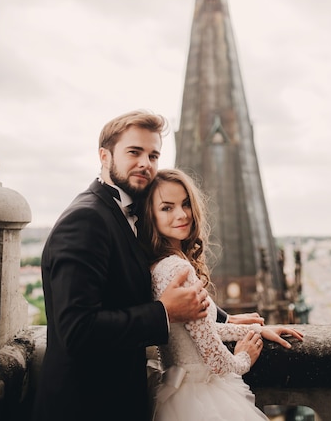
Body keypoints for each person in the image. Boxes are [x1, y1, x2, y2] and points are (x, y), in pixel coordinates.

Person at [32, 109, 263, 421]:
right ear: (104, 155)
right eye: (134, 152)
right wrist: (165, 312)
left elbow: (147, 285)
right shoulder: (85, 219)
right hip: (85, 405)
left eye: (153, 155)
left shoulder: (131, 212)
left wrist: (224, 319)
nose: (145, 163)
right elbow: (76, 330)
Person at [142, 168, 304, 421]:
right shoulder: (179, 268)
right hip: (202, 400)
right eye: (167, 208)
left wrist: (257, 330)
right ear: (150, 215)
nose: (182, 214)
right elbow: (216, 360)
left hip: (176, 397)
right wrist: (244, 358)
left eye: (186, 204)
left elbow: (196, 331)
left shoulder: (157, 266)